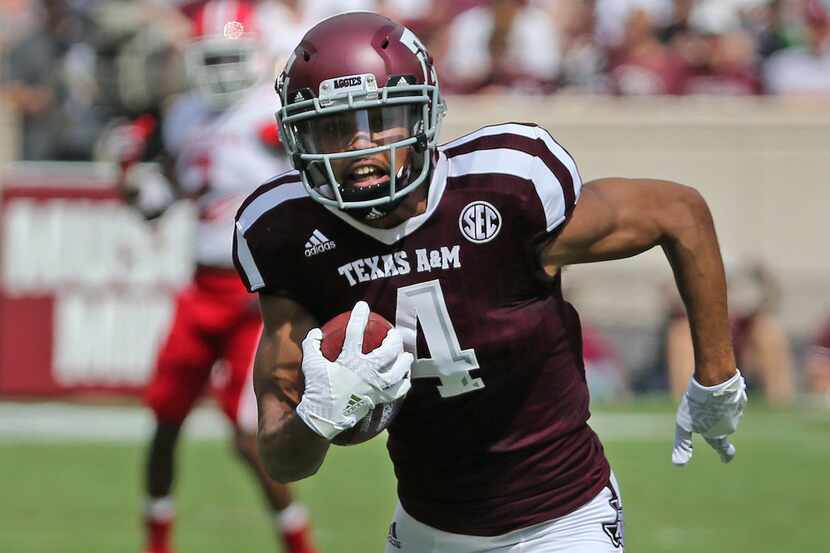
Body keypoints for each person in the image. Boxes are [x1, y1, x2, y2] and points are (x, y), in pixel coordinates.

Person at [232, 12, 746, 552]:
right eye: (335, 128)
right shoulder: (287, 234)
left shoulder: (505, 187)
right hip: (426, 531)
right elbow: (282, 459)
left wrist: (716, 376)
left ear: (421, 114)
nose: (362, 150)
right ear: (298, 136)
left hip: (561, 522)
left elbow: (680, 213)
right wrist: (317, 419)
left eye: (379, 119)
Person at [110, 2, 318, 552]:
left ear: (256, 55)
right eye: (213, 57)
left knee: (251, 434)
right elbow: (164, 195)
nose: (223, 70)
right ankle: (156, 542)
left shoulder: (270, 112)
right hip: (199, 286)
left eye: (233, 55)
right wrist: (137, 185)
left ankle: (300, 544)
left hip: (257, 294)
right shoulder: (183, 116)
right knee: (165, 420)